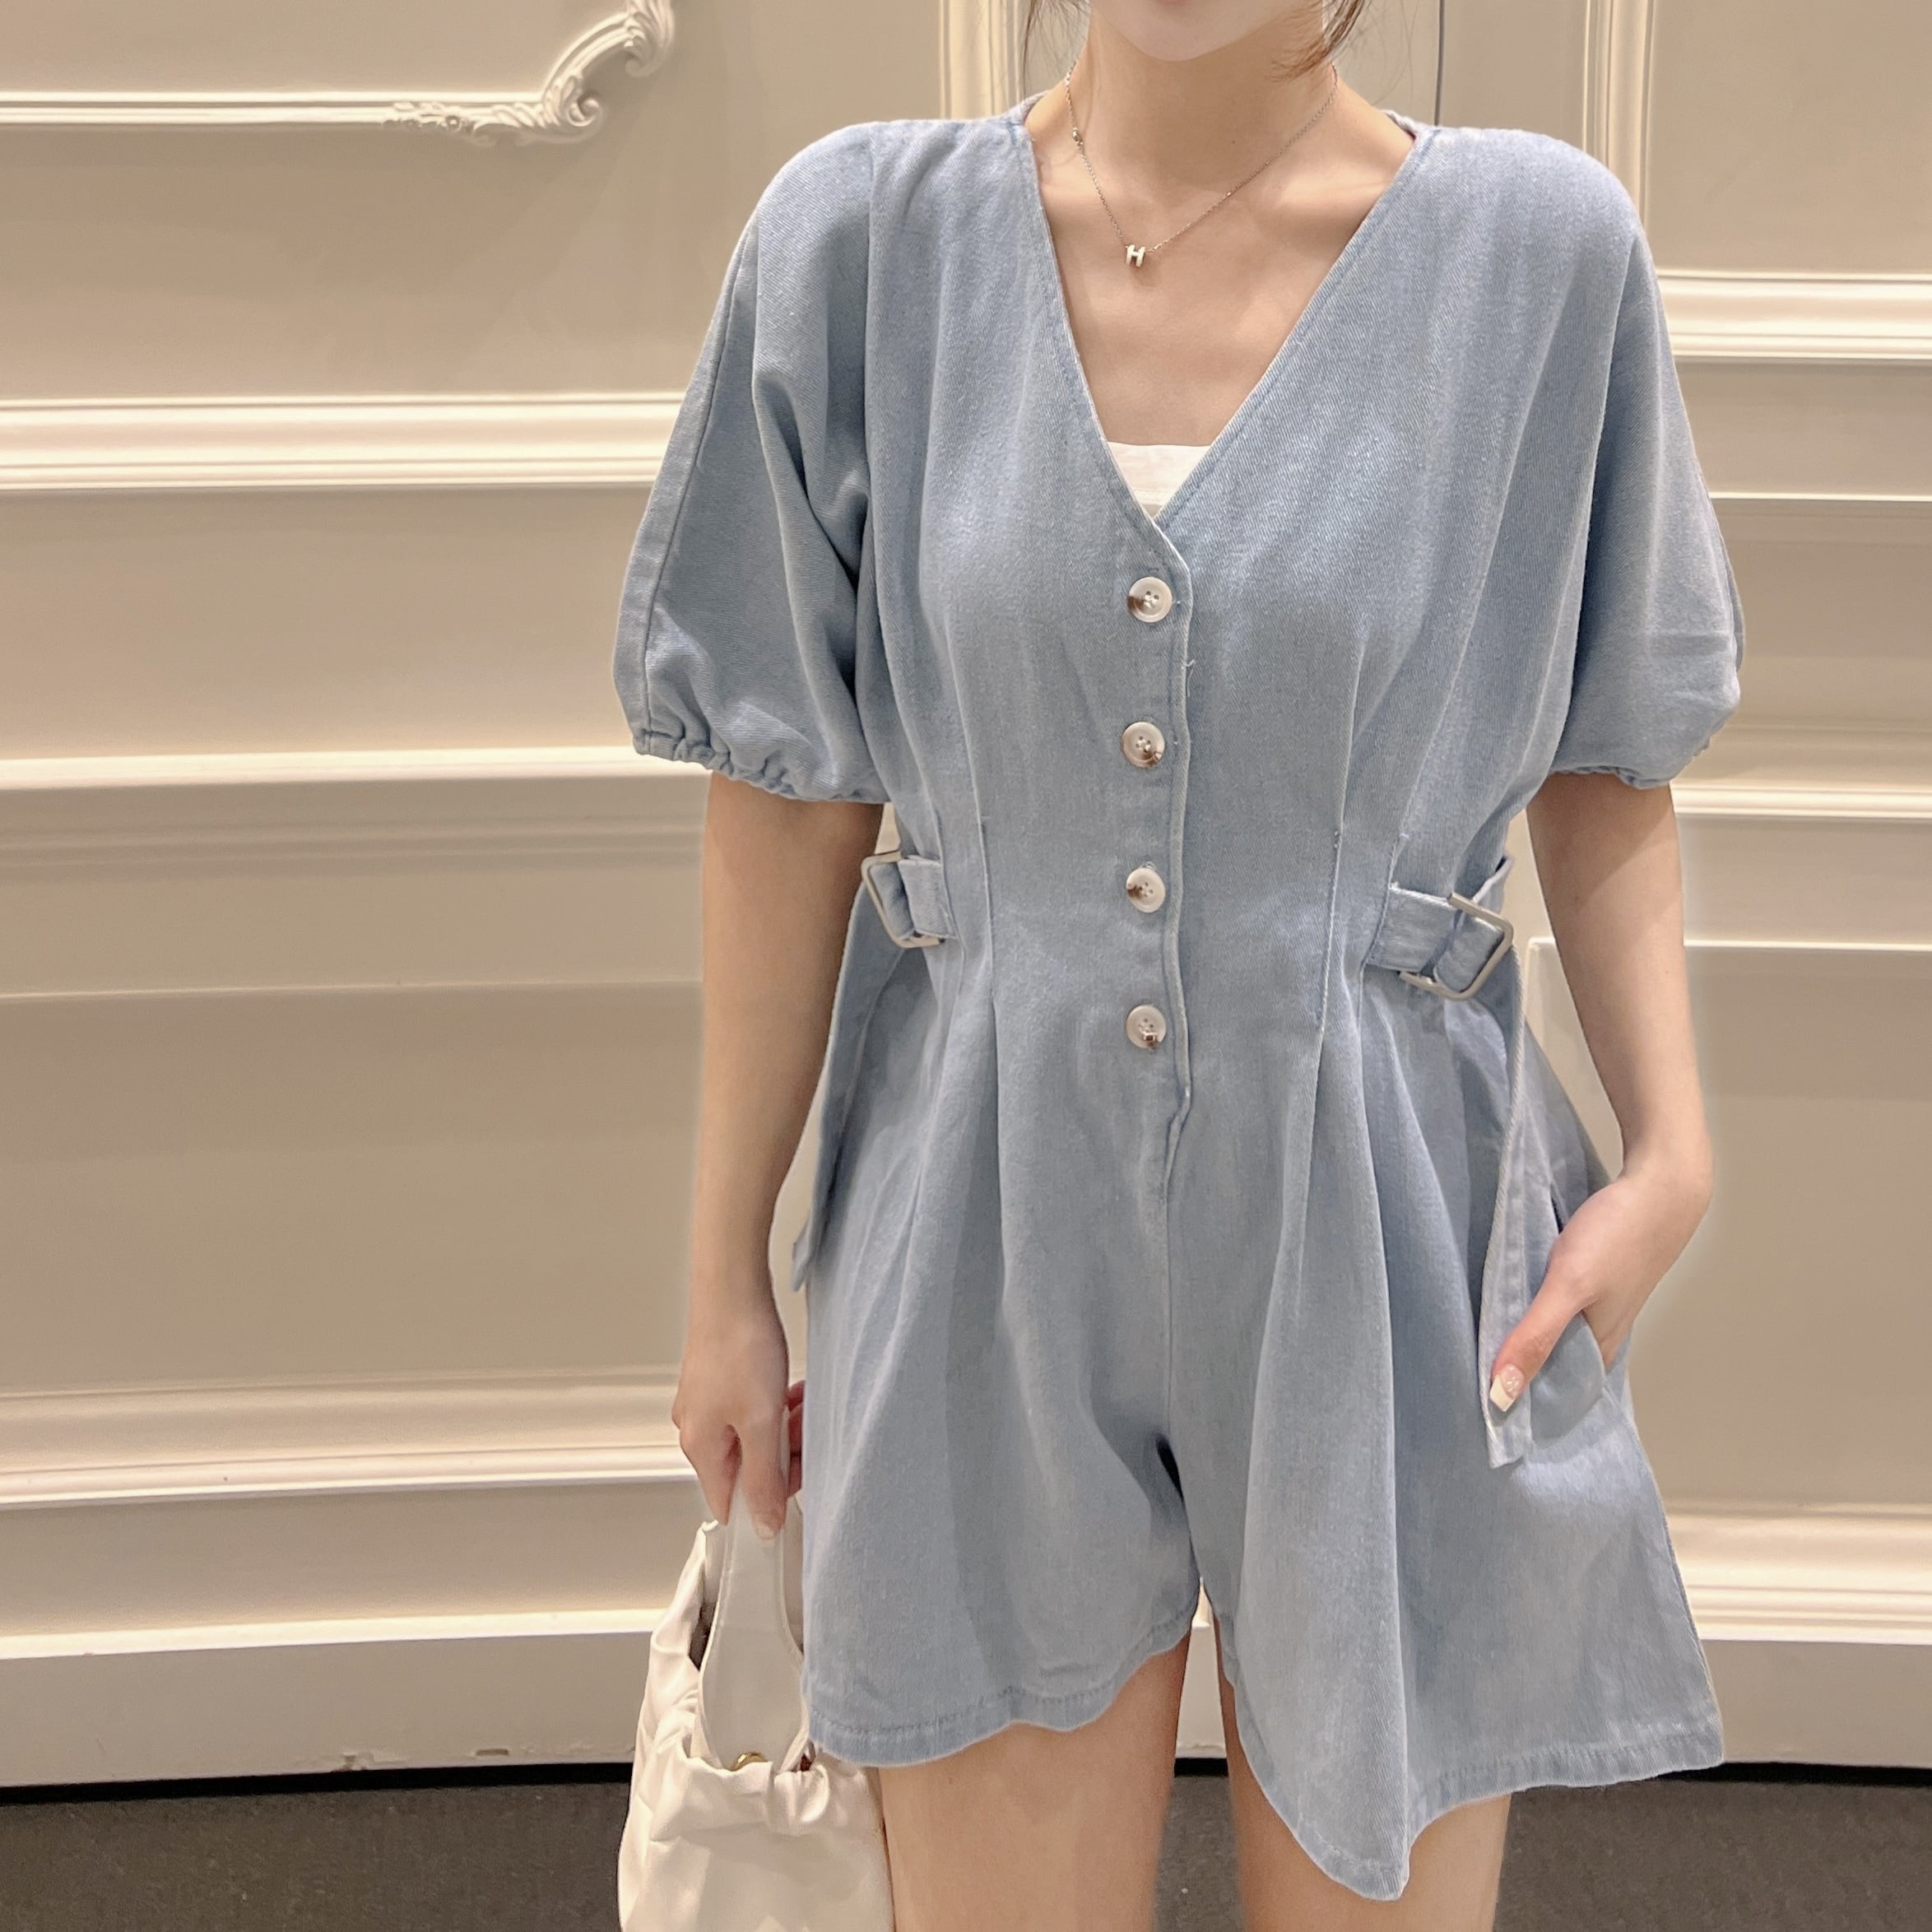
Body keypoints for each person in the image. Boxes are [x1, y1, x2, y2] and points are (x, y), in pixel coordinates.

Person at [611, 1, 1745, 1925]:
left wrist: (1671, 1151)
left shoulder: (1537, 258)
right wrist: (723, 1269)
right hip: (975, 1220)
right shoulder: (858, 246)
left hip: (1385, 1211)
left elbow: (1608, 747)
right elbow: (788, 797)